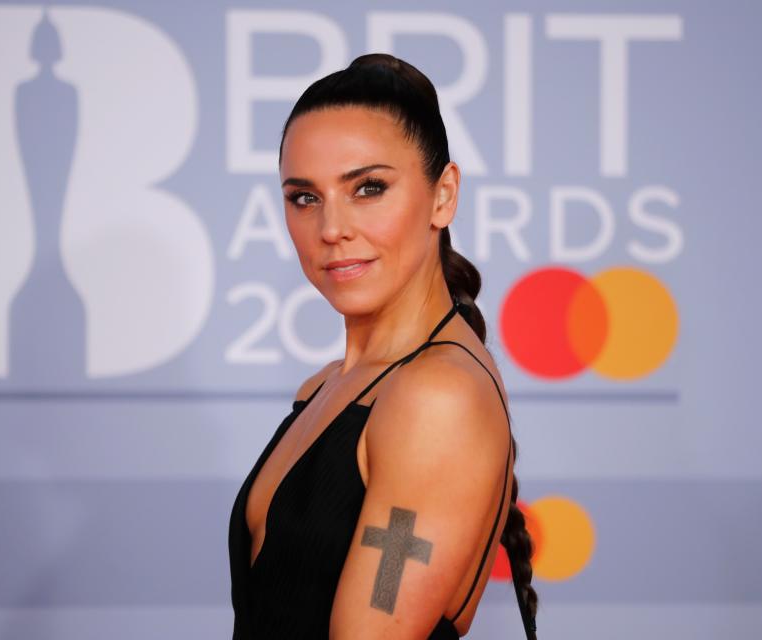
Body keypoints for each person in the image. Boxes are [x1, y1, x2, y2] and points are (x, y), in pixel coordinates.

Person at [227, 53, 538, 639]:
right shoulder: (324, 387)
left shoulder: (436, 401)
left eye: (368, 188)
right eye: (304, 197)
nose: (331, 228)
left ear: (443, 196)